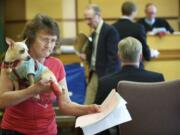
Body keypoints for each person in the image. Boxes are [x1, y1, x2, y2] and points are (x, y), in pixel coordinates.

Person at [0, 14, 100, 135]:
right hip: (14, 130)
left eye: (53, 40)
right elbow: (2, 100)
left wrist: (88, 109)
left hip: (48, 131)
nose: (49, 45)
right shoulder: (13, 62)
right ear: (30, 39)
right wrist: (33, 90)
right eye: (44, 40)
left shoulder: (56, 64)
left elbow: (65, 105)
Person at [94, 37, 164, 135]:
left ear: (119, 56)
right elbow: (162, 111)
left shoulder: (106, 82)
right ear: (141, 56)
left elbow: (98, 117)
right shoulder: (157, 79)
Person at [80, 4, 120, 104]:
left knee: (102, 105)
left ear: (98, 16)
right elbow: (94, 54)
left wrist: (108, 79)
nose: (87, 22)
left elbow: (113, 58)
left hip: (105, 75)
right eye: (85, 19)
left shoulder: (110, 31)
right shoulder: (94, 33)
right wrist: (86, 56)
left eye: (89, 19)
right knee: (88, 104)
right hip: (94, 73)